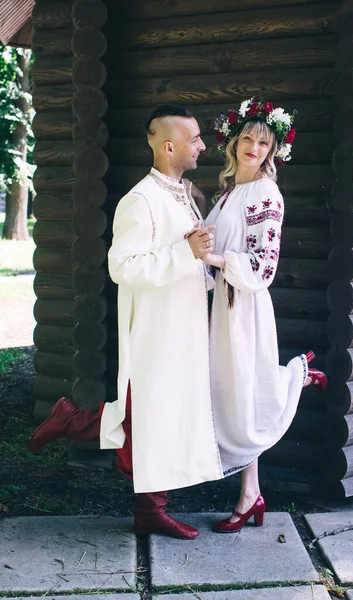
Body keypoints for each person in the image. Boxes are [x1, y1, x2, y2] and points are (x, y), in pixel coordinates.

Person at [28, 104, 223, 539]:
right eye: (194, 139)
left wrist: (208, 266)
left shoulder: (182, 193)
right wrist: (184, 253)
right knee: (147, 415)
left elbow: (189, 256)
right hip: (155, 332)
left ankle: (144, 502)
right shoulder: (140, 200)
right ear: (169, 145)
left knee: (160, 415)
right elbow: (123, 266)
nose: (202, 146)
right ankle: (77, 428)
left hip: (183, 325)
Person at [202, 99, 327, 533]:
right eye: (248, 138)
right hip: (222, 303)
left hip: (245, 305)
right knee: (233, 394)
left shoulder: (264, 194)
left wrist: (214, 259)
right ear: (233, 142)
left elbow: (263, 264)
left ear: (273, 151)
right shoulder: (231, 191)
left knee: (243, 392)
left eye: (264, 142)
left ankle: (295, 378)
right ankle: (250, 493)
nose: (254, 147)